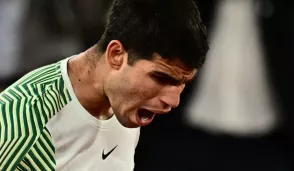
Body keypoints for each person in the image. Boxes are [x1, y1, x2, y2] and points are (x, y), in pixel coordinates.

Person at [0, 0, 209, 170]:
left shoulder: (122, 99)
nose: (173, 101)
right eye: (161, 78)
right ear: (116, 55)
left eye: (182, 83)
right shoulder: (22, 124)